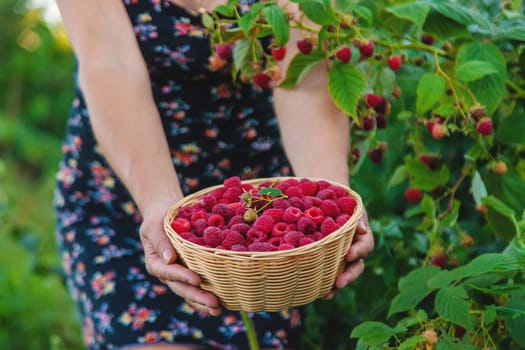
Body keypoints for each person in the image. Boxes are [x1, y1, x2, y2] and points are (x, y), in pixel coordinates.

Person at [53, 0, 375, 349]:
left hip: (262, 218)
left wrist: (327, 203)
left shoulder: (272, 223)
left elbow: (304, 72)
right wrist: (159, 201)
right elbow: (109, 63)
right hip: (128, 197)